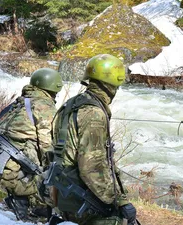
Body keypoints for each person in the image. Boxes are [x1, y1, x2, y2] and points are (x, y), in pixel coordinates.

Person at [48, 54, 137, 225]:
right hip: (81, 197)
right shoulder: (93, 114)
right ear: (112, 84)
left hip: (65, 191)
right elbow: (92, 167)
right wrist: (118, 201)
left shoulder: (72, 103)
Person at [0, 68, 63, 221]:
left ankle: (21, 199)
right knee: (54, 173)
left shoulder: (20, 102)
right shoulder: (44, 106)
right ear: (53, 88)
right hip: (13, 173)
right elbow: (47, 147)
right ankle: (28, 204)